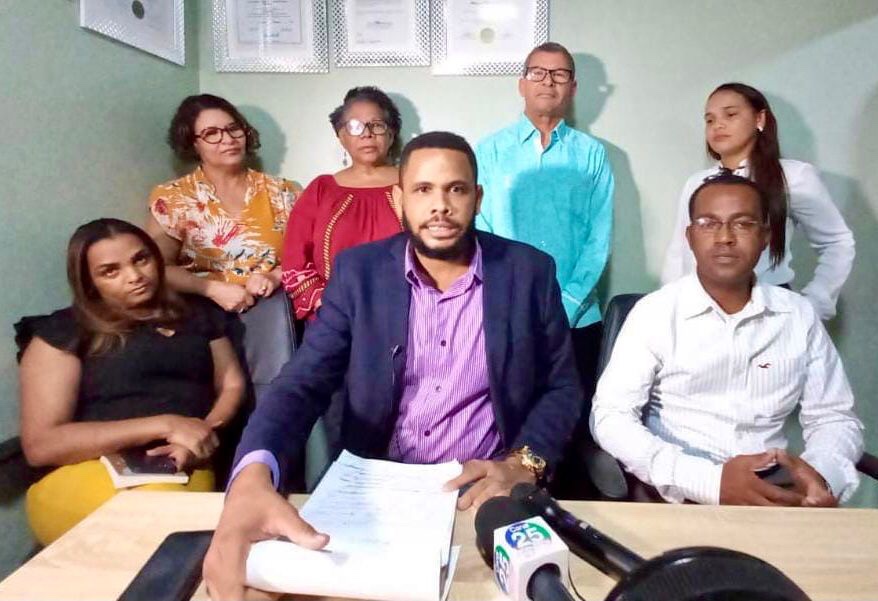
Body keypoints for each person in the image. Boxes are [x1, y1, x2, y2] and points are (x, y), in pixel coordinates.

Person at [202, 132, 582, 599]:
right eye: (423, 190)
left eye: (456, 189)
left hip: (484, 491)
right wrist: (253, 473)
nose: (440, 206)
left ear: (477, 198)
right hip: (378, 489)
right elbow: (302, 383)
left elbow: (562, 386)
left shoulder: (528, 272)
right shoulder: (359, 272)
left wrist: (523, 463)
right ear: (399, 198)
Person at [592, 173, 864, 506]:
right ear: (690, 237)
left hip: (774, 497)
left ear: (765, 237)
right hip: (678, 497)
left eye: (743, 224)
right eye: (708, 223)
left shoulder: (798, 316)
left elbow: (834, 417)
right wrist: (709, 482)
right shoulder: (655, 313)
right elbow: (611, 417)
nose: (725, 238)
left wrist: (817, 477)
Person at [18, 219, 246, 545]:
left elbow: (231, 384)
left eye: (141, 259)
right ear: (89, 282)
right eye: (110, 271)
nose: (134, 276)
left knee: (173, 516)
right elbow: (42, 446)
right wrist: (165, 424)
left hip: (178, 467)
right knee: (157, 519)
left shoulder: (197, 315)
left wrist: (200, 435)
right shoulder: (64, 331)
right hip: (86, 472)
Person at [661, 82, 855, 321]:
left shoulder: (793, 176)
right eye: (709, 120)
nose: (718, 125)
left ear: (759, 119)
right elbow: (679, 252)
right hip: (700, 309)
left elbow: (837, 242)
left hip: (770, 309)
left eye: (730, 115)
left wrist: (816, 303)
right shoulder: (696, 182)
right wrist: (668, 309)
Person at [146, 94, 299, 314]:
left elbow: (311, 256)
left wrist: (274, 277)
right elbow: (157, 268)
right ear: (193, 143)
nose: (228, 139)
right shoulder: (173, 197)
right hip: (203, 314)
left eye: (233, 129)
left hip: (276, 313)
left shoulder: (283, 191)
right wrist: (211, 289)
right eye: (211, 133)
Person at [281, 86, 403, 321]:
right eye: (355, 126)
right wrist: (327, 304)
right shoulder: (322, 189)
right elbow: (294, 261)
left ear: (391, 133)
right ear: (341, 136)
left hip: (405, 315)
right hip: (333, 316)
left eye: (377, 125)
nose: (367, 134)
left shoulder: (415, 186)